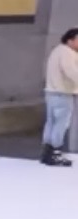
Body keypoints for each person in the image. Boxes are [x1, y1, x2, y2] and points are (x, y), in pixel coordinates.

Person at [41, 28, 78, 167]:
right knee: (61, 124)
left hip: (51, 92)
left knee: (51, 122)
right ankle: (55, 153)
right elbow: (72, 72)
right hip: (62, 93)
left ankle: (47, 152)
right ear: (70, 40)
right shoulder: (67, 53)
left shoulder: (57, 50)